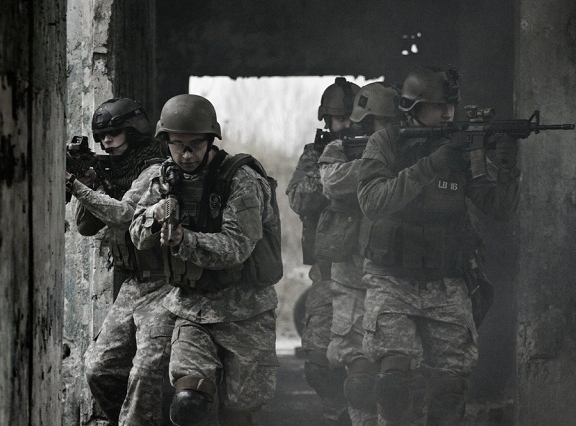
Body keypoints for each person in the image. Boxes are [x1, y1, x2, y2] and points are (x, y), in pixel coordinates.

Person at [356, 67, 521, 425]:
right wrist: (431, 165)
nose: (447, 114)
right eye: (437, 107)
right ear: (411, 107)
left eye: (450, 106)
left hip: (447, 280)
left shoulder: (463, 148)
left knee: (450, 392)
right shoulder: (385, 143)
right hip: (392, 279)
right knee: (394, 384)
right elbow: (372, 201)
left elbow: (498, 208)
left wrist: (507, 167)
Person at [129, 94, 279, 426]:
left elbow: (237, 246)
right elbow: (137, 235)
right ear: (166, 141)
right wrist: (155, 216)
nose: (186, 154)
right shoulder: (164, 179)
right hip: (192, 308)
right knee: (188, 404)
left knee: (238, 412)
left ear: (210, 141)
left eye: (195, 145)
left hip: (245, 310)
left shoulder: (242, 180)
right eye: (177, 144)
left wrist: (184, 240)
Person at [65, 97, 173, 425]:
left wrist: (75, 185)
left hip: (164, 284)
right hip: (133, 284)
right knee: (98, 367)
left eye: (114, 133)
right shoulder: (116, 171)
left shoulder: (155, 170)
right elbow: (85, 227)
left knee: (146, 371)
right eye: (102, 136)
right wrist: (93, 182)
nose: (106, 141)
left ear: (133, 130)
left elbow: (125, 215)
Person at [316, 82, 402, 426]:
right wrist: (379, 161)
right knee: (360, 374)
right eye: (384, 122)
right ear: (365, 122)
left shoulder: (411, 148)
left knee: (398, 376)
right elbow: (331, 182)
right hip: (352, 273)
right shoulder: (341, 149)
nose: (391, 129)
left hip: (398, 271)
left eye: (393, 122)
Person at [286, 77, 360, 426]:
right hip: (328, 272)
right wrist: (332, 170)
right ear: (327, 121)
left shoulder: (378, 150)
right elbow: (299, 199)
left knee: (368, 366)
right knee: (318, 364)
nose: (345, 126)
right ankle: (338, 414)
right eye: (339, 120)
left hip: (367, 272)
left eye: (351, 119)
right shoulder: (315, 155)